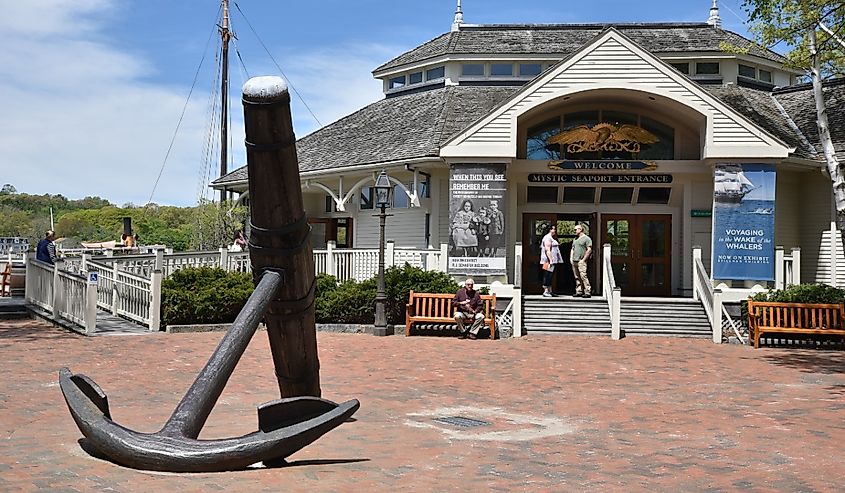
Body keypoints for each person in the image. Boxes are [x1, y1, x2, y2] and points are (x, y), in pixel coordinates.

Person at [539, 224, 563, 297]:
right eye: (553, 229)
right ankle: (545, 291)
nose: (554, 230)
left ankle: (550, 290)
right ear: (550, 230)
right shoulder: (547, 238)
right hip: (547, 261)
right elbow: (547, 250)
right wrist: (551, 260)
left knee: (550, 275)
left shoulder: (551, 238)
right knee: (547, 274)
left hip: (552, 261)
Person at [571, 223, 593, 298]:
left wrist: (583, 259)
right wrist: (571, 258)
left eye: (576, 229)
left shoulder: (587, 239)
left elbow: (589, 249)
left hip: (581, 261)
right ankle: (579, 291)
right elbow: (573, 249)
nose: (574, 231)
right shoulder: (575, 239)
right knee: (576, 276)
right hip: (574, 260)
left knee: (583, 275)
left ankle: (587, 291)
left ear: (580, 230)